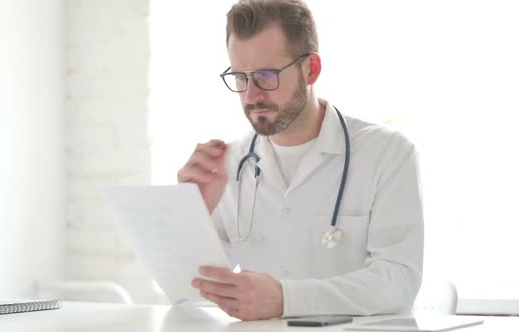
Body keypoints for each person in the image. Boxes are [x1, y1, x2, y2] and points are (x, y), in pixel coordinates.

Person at [177, 0, 423, 321]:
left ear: (312, 69)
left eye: (266, 75)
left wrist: (286, 299)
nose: (251, 96)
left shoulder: (387, 154)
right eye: (240, 77)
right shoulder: (229, 162)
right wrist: (191, 213)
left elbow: (398, 282)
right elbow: (188, 292)